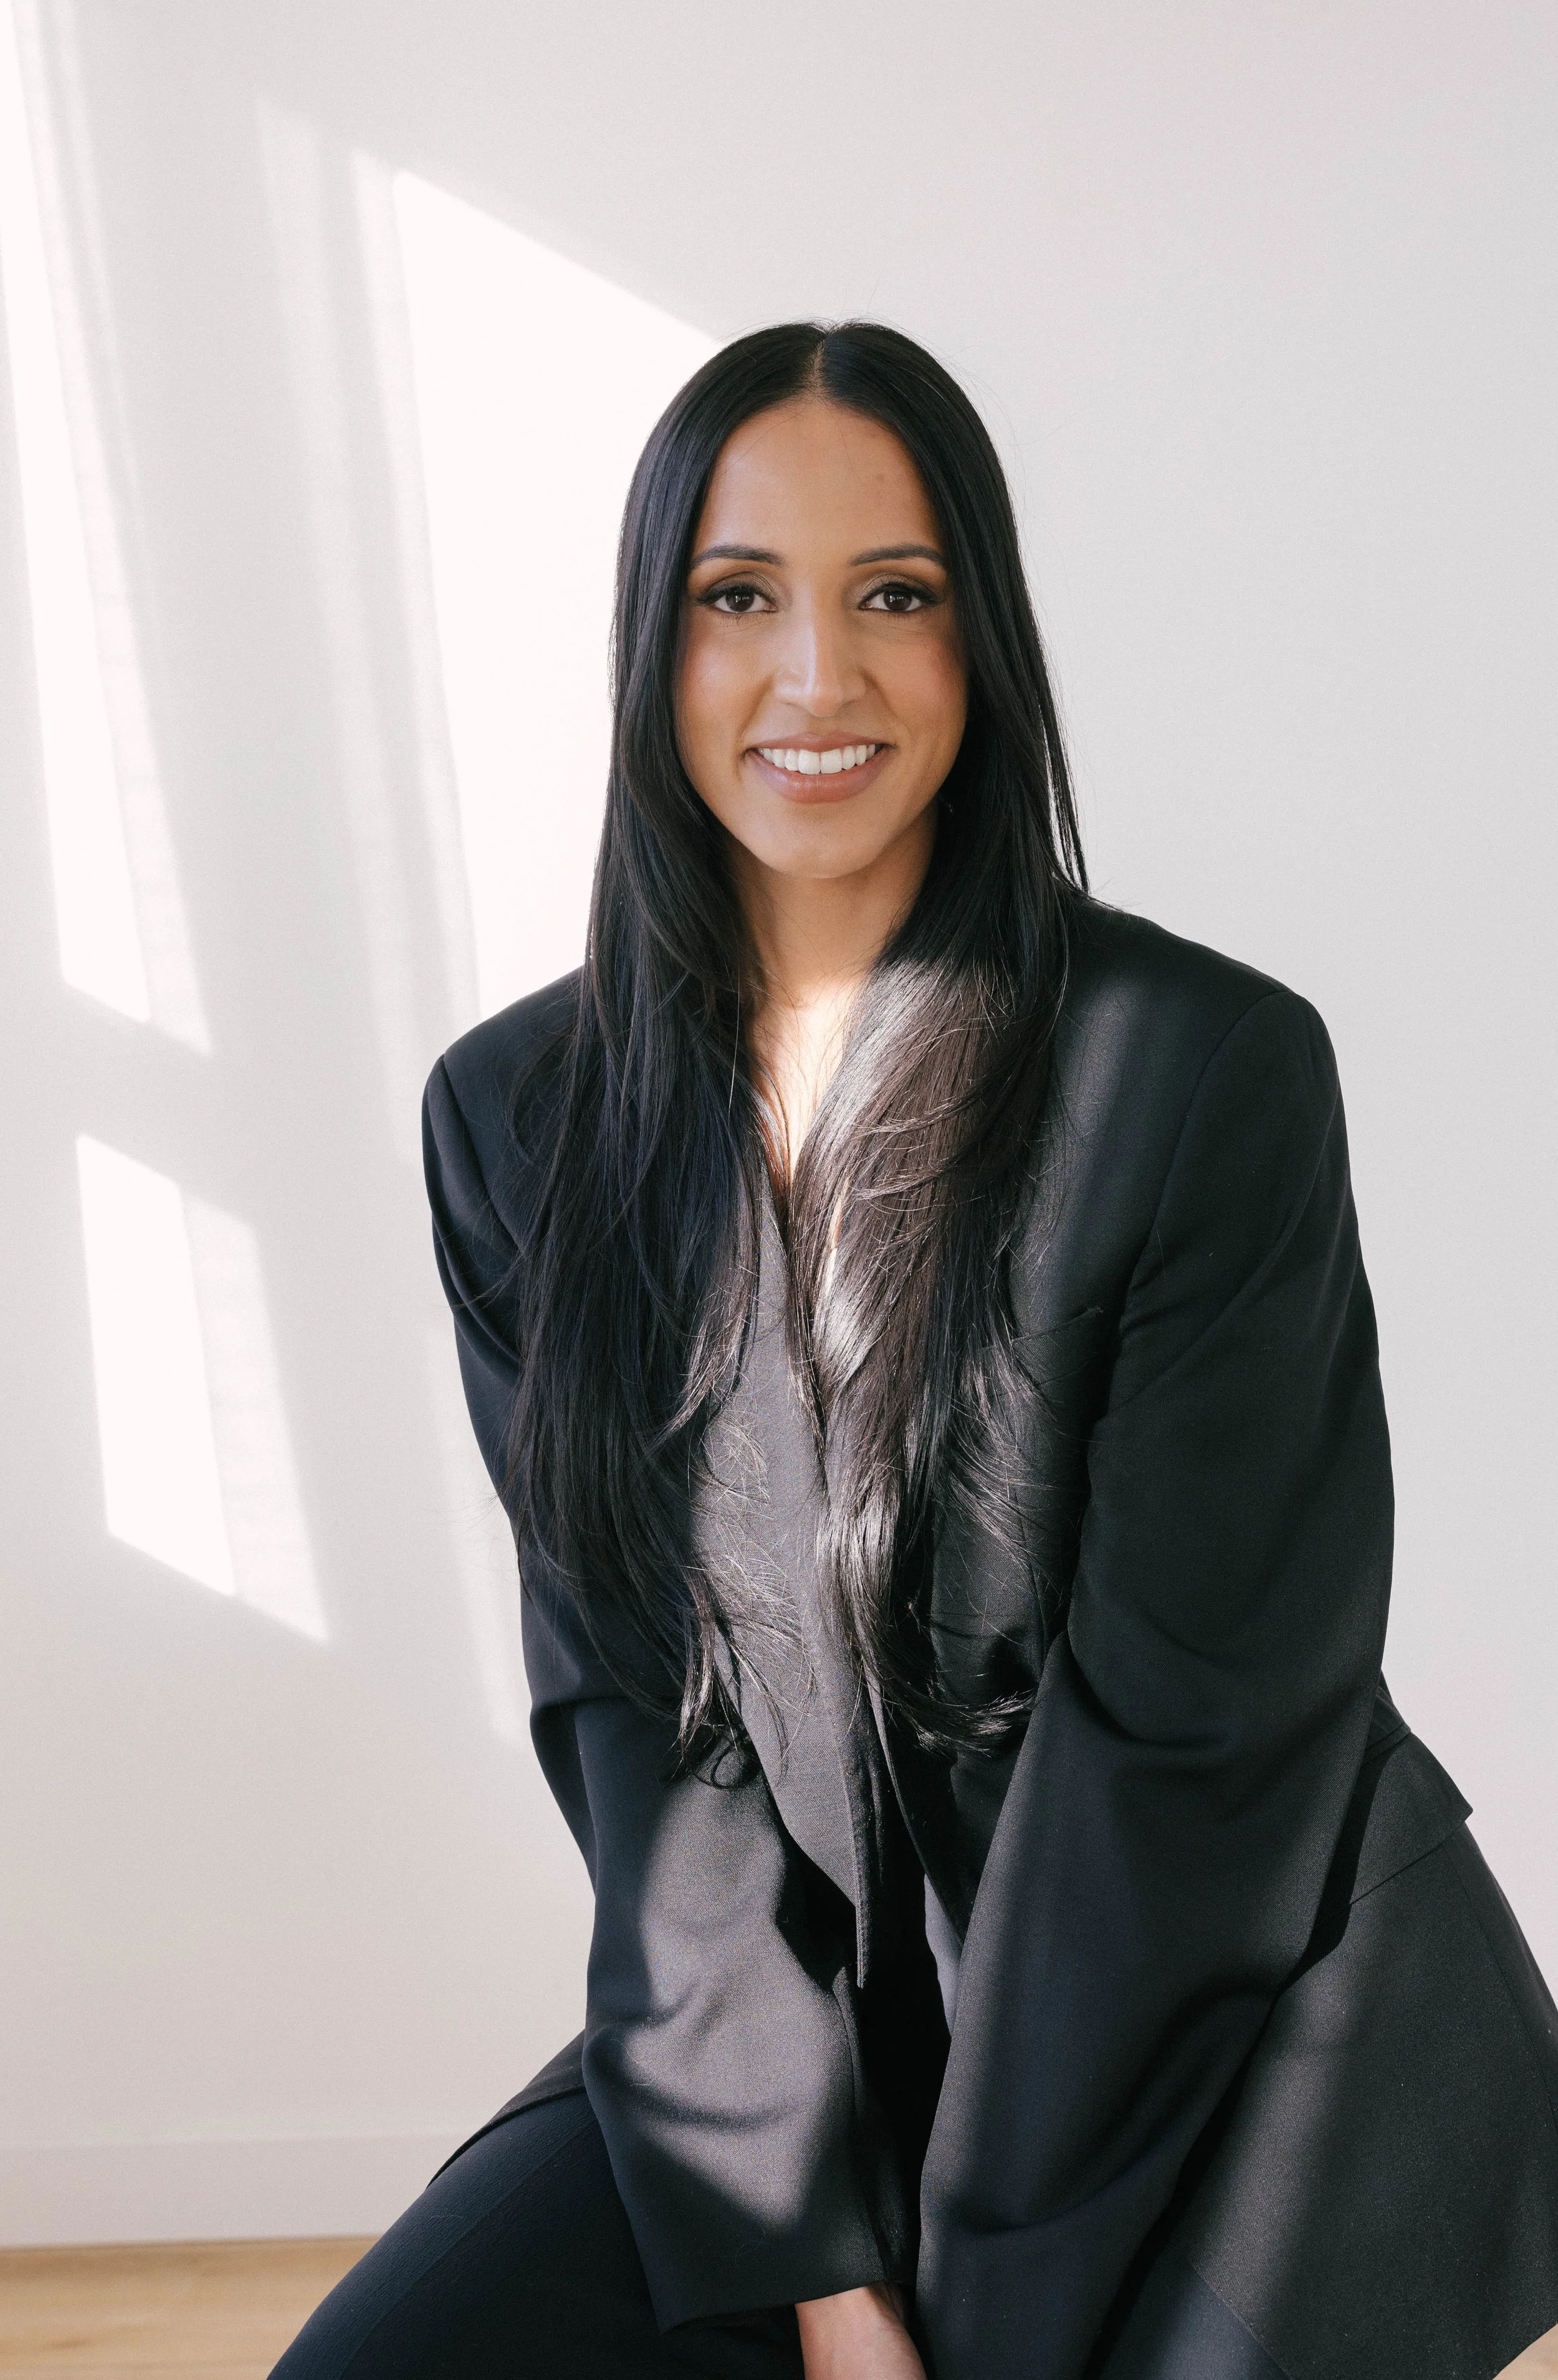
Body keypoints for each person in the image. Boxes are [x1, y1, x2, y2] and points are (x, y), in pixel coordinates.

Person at [273, 323, 1558, 2380]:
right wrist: (795, 2246)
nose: (817, 679)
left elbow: (1187, 1757)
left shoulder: (1202, 1072)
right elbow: (638, 1730)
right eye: (735, 599)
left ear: (983, 641)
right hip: (812, 2034)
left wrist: (980, 2307)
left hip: (1242, 2008)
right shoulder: (517, 1119)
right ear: (649, 649)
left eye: (895, 594)